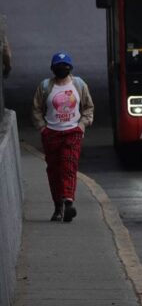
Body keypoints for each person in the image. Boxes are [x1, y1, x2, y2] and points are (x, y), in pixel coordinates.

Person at [31, 52, 94, 222]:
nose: (62, 69)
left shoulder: (79, 84)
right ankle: (58, 205)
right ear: (52, 69)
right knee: (54, 170)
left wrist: (81, 125)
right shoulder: (45, 86)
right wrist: (42, 128)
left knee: (69, 165)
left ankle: (68, 201)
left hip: (72, 132)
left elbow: (88, 107)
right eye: (59, 66)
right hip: (51, 134)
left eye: (65, 66)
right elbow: (36, 109)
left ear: (70, 68)